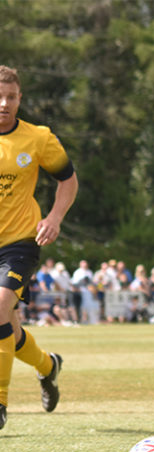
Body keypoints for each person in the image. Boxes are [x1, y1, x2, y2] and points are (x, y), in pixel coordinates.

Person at [0, 65, 78, 429]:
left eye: (11, 97)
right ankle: (48, 366)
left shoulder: (38, 138)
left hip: (19, 243)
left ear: (20, 99)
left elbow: (67, 179)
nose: (4, 104)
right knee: (7, 329)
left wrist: (55, 217)